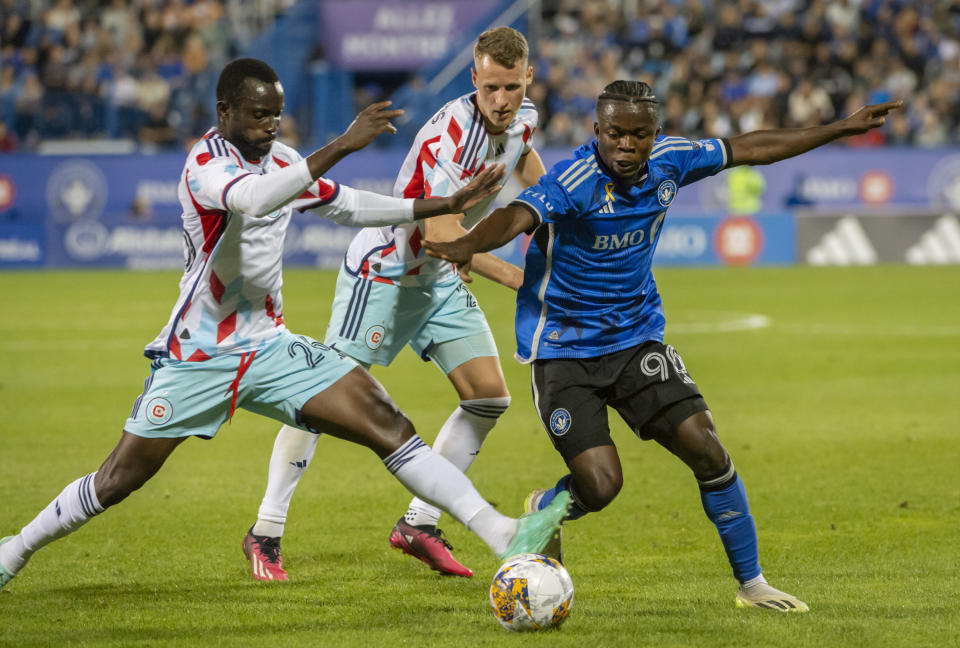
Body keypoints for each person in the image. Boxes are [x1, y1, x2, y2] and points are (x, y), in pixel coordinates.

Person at [0, 58, 571, 592]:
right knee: (117, 480)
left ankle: (502, 534)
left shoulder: (281, 159)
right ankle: (16, 550)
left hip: (271, 347)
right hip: (200, 355)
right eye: (257, 115)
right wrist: (342, 144)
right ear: (224, 113)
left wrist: (432, 206)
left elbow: (346, 205)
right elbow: (255, 199)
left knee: (388, 423)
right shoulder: (207, 165)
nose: (270, 125)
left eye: (276, 114)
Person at [426, 80, 903, 612]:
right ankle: (547, 505)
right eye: (615, 134)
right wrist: (469, 243)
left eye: (639, 135)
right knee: (602, 485)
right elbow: (517, 216)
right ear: (597, 131)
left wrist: (839, 128)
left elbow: (751, 148)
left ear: (655, 134)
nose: (626, 146)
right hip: (563, 350)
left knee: (707, 446)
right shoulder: (573, 181)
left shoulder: (672, 161)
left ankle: (752, 584)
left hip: (634, 339)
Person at [243, 27, 547, 580]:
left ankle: (419, 523)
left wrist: (553, 222)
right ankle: (265, 530)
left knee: (489, 398)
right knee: (320, 397)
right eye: (491, 89)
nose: (502, 102)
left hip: (438, 280)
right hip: (386, 273)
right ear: (473, 79)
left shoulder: (523, 117)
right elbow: (445, 236)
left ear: (528, 77)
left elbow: (526, 164)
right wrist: (525, 279)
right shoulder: (453, 136)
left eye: (512, 88)